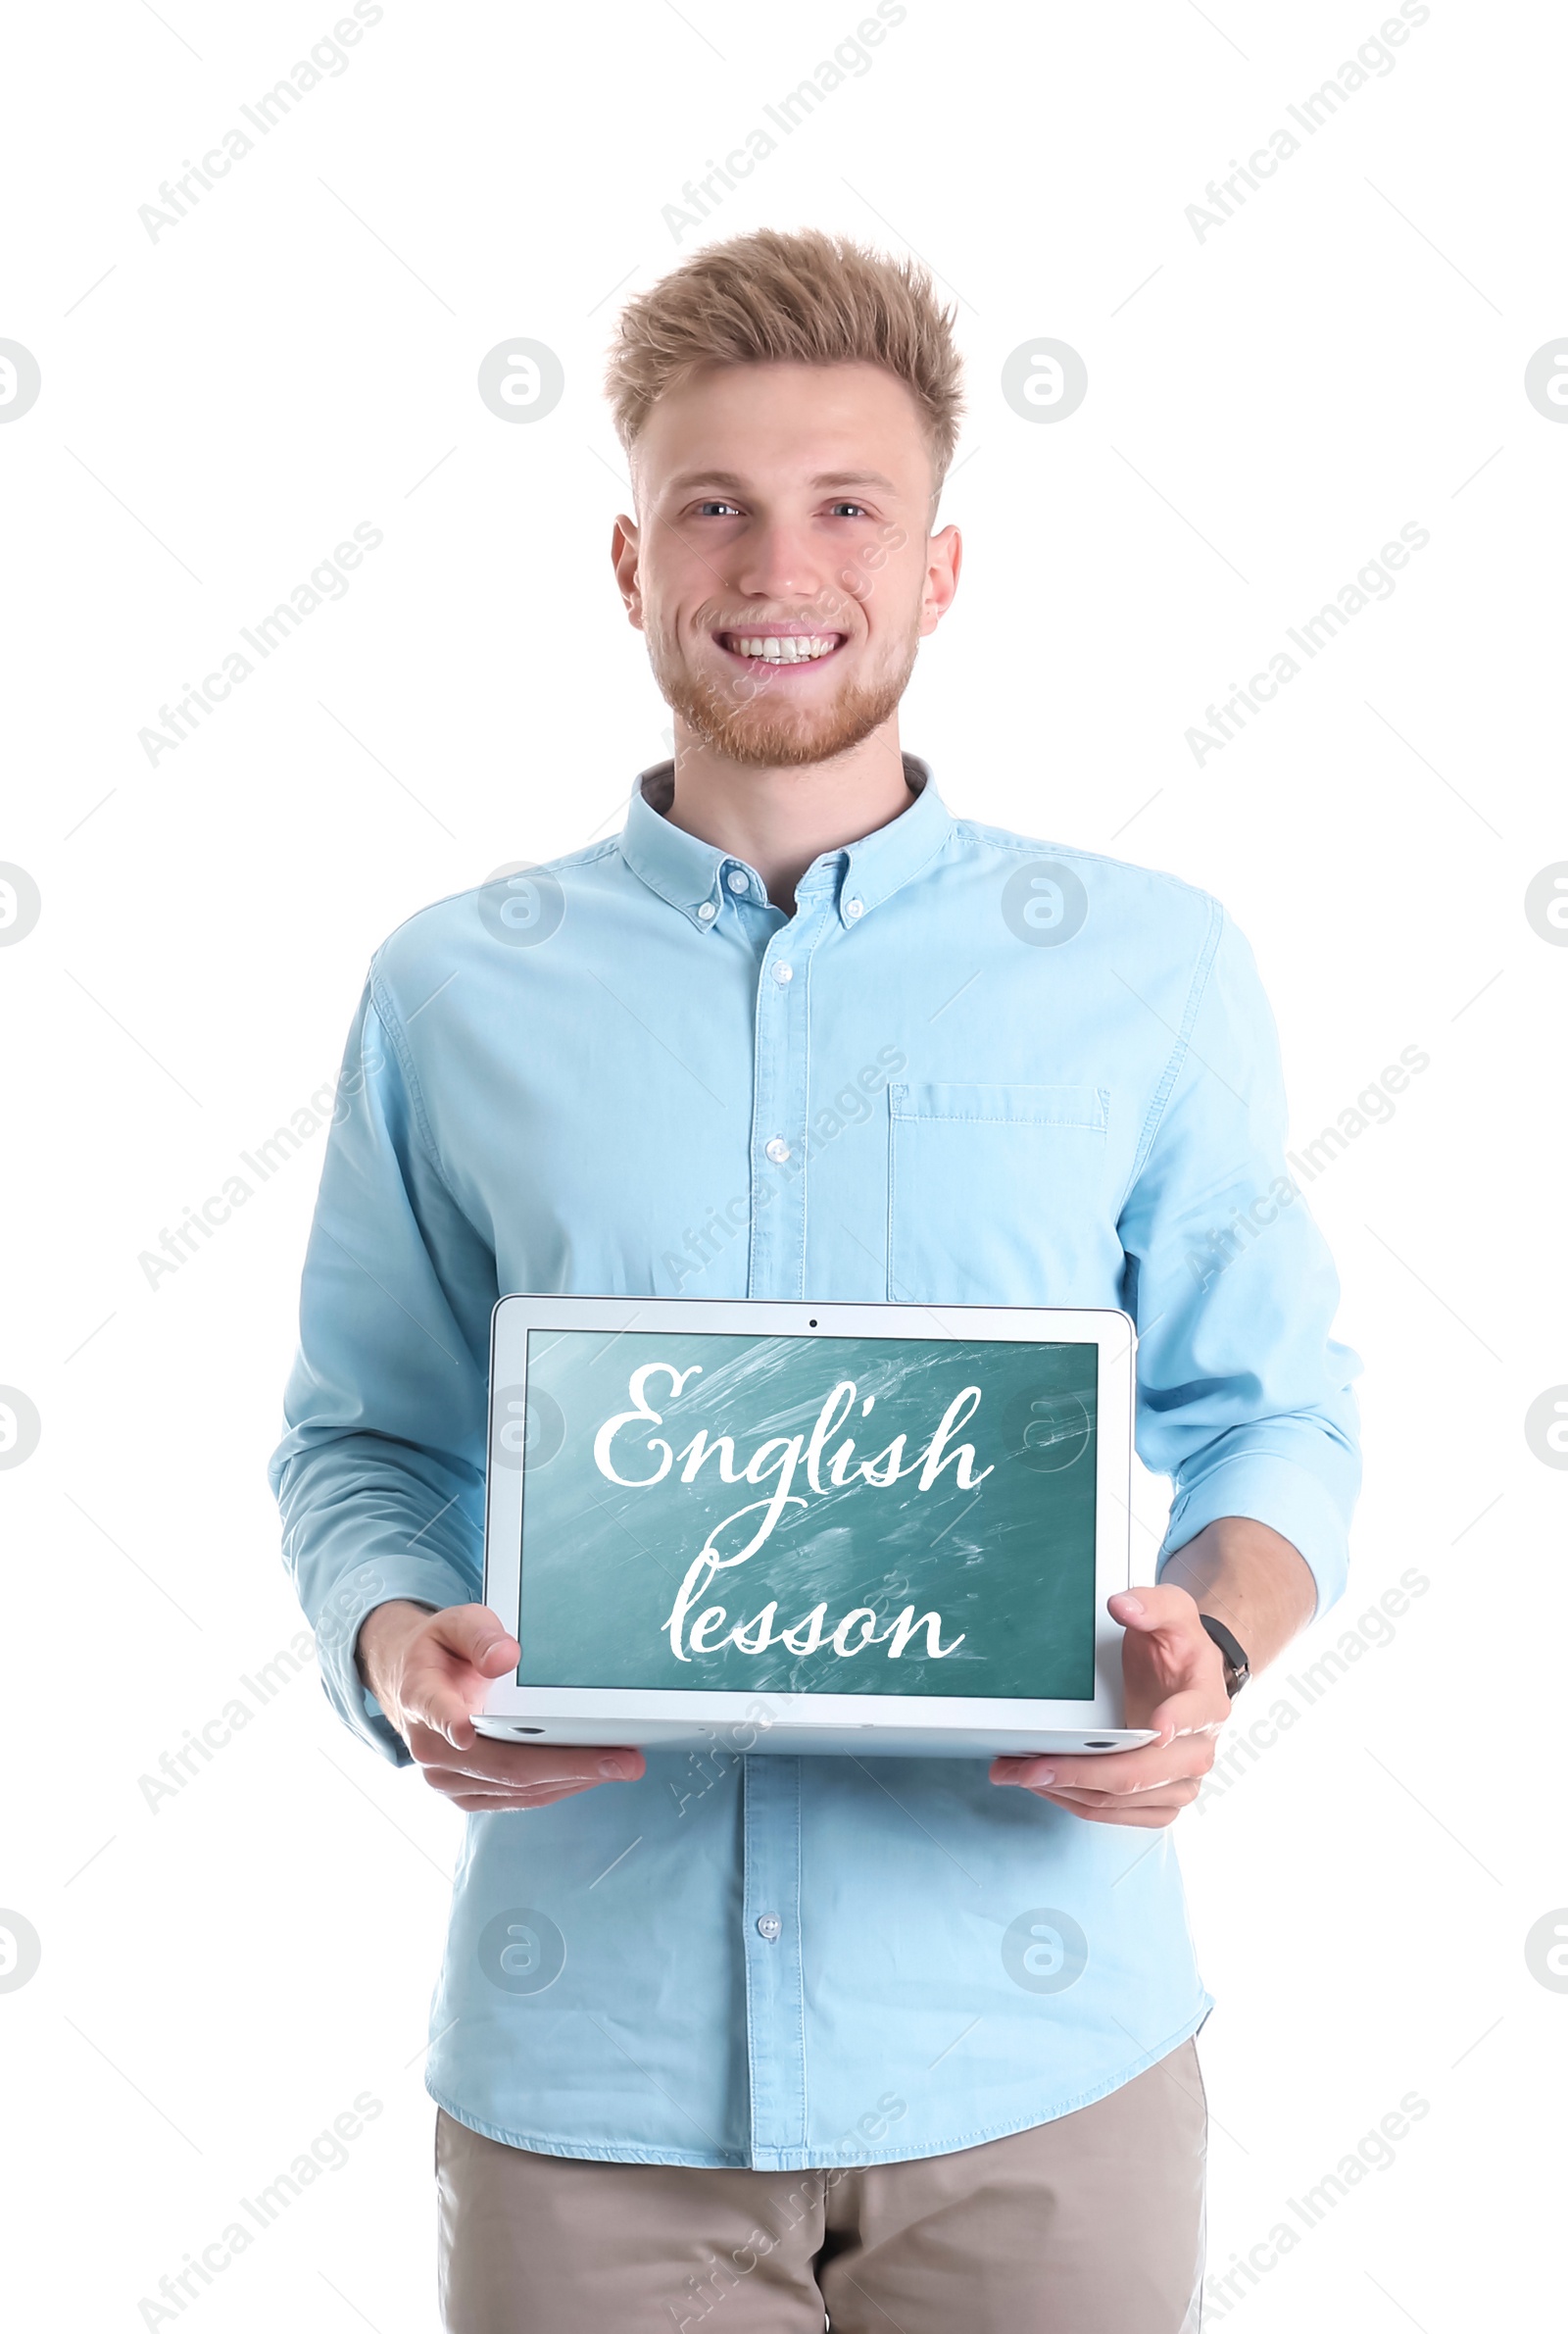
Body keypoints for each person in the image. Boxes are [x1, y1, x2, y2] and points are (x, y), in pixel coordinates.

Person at [270, 226, 1361, 2333]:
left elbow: (1276, 1413)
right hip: (584, 2083)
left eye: (845, 505)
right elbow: (361, 1434)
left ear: (937, 568)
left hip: (1042, 2075)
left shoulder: (1146, 969)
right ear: (628, 561)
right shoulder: (451, 988)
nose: (780, 565)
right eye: (715, 507)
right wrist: (400, 1642)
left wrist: (1209, 1645)